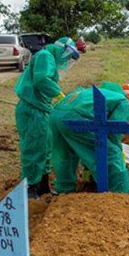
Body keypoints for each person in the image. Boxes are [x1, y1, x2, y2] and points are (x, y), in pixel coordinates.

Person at [14, 37, 79, 200]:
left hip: (41, 109)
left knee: (45, 148)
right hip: (32, 109)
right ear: (62, 50)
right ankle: (29, 188)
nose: (66, 61)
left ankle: (43, 186)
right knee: (33, 148)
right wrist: (58, 94)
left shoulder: (48, 58)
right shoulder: (45, 56)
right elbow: (41, 79)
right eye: (67, 56)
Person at [49, 82, 129, 194]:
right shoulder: (122, 101)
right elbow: (114, 132)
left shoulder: (88, 93)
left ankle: (64, 191)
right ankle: (119, 194)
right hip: (76, 116)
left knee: (64, 154)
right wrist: (119, 152)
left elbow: (86, 148)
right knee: (110, 154)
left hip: (55, 115)